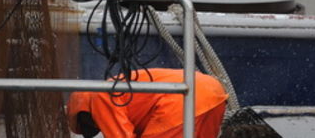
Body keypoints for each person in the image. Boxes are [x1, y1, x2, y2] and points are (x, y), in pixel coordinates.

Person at [67, 68, 229, 138]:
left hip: (182, 100)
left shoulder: (100, 96)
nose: (98, 129)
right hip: (212, 91)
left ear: (84, 114)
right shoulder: (115, 86)